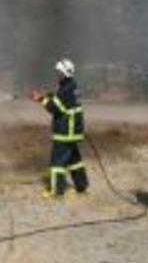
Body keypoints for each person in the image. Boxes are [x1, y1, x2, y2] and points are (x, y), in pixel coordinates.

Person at [31, 59, 89, 198]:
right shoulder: (72, 86)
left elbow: (54, 108)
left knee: (57, 162)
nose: (57, 74)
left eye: (59, 72)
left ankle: (56, 191)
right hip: (74, 131)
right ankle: (81, 187)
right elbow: (61, 101)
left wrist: (40, 99)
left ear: (64, 73)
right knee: (74, 161)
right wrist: (50, 96)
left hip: (65, 131)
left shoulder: (65, 89)